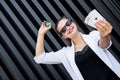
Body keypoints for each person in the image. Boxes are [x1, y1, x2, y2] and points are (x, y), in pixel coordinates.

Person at [34, 16, 120, 80]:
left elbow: (104, 44)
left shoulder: (93, 35)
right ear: (63, 36)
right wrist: (41, 33)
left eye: (68, 23)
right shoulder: (65, 54)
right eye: (63, 30)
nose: (68, 27)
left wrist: (105, 36)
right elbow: (40, 58)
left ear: (73, 22)